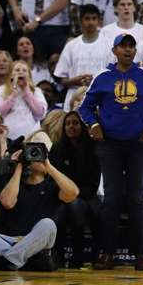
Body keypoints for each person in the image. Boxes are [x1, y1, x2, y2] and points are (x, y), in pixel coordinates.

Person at [79, 33, 143, 270]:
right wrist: (93, 125)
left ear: (135, 51)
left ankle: (140, 255)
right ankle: (107, 253)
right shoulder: (103, 77)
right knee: (112, 199)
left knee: (136, 198)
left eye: (131, 46)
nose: (127, 50)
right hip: (109, 145)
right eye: (122, 46)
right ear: (114, 51)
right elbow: (85, 108)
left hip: (138, 144)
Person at [0, 131, 79, 270]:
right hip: (10, 240)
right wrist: (19, 166)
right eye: (33, 152)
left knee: (48, 225)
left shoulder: (53, 186)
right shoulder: (13, 180)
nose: (36, 157)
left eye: (41, 152)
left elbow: (73, 193)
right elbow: (7, 202)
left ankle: (5, 261)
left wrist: (48, 165)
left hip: (37, 241)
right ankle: (23, 259)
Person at [49, 111, 102, 269]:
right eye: (68, 123)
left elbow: (93, 183)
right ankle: (57, 255)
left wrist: (73, 195)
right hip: (61, 196)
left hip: (87, 196)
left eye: (75, 123)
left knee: (74, 207)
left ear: (82, 126)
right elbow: (51, 178)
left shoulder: (92, 148)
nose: (71, 126)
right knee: (60, 209)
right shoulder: (57, 148)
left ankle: (78, 256)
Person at [55, 5, 111, 111]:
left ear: (98, 21)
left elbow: (116, 75)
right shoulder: (71, 46)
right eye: (87, 18)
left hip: (101, 97)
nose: (90, 22)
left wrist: (95, 81)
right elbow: (61, 79)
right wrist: (75, 81)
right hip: (74, 96)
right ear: (81, 21)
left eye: (94, 18)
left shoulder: (108, 44)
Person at [0, 61, 48, 140]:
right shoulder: (2, 90)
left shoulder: (36, 91)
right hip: (9, 137)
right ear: (10, 74)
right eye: (17, 70)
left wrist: (26, 91)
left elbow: (40, 113)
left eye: (24, 70)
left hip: (32, 136)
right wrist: (13, 94)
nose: (21, 73)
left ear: (29, 75)